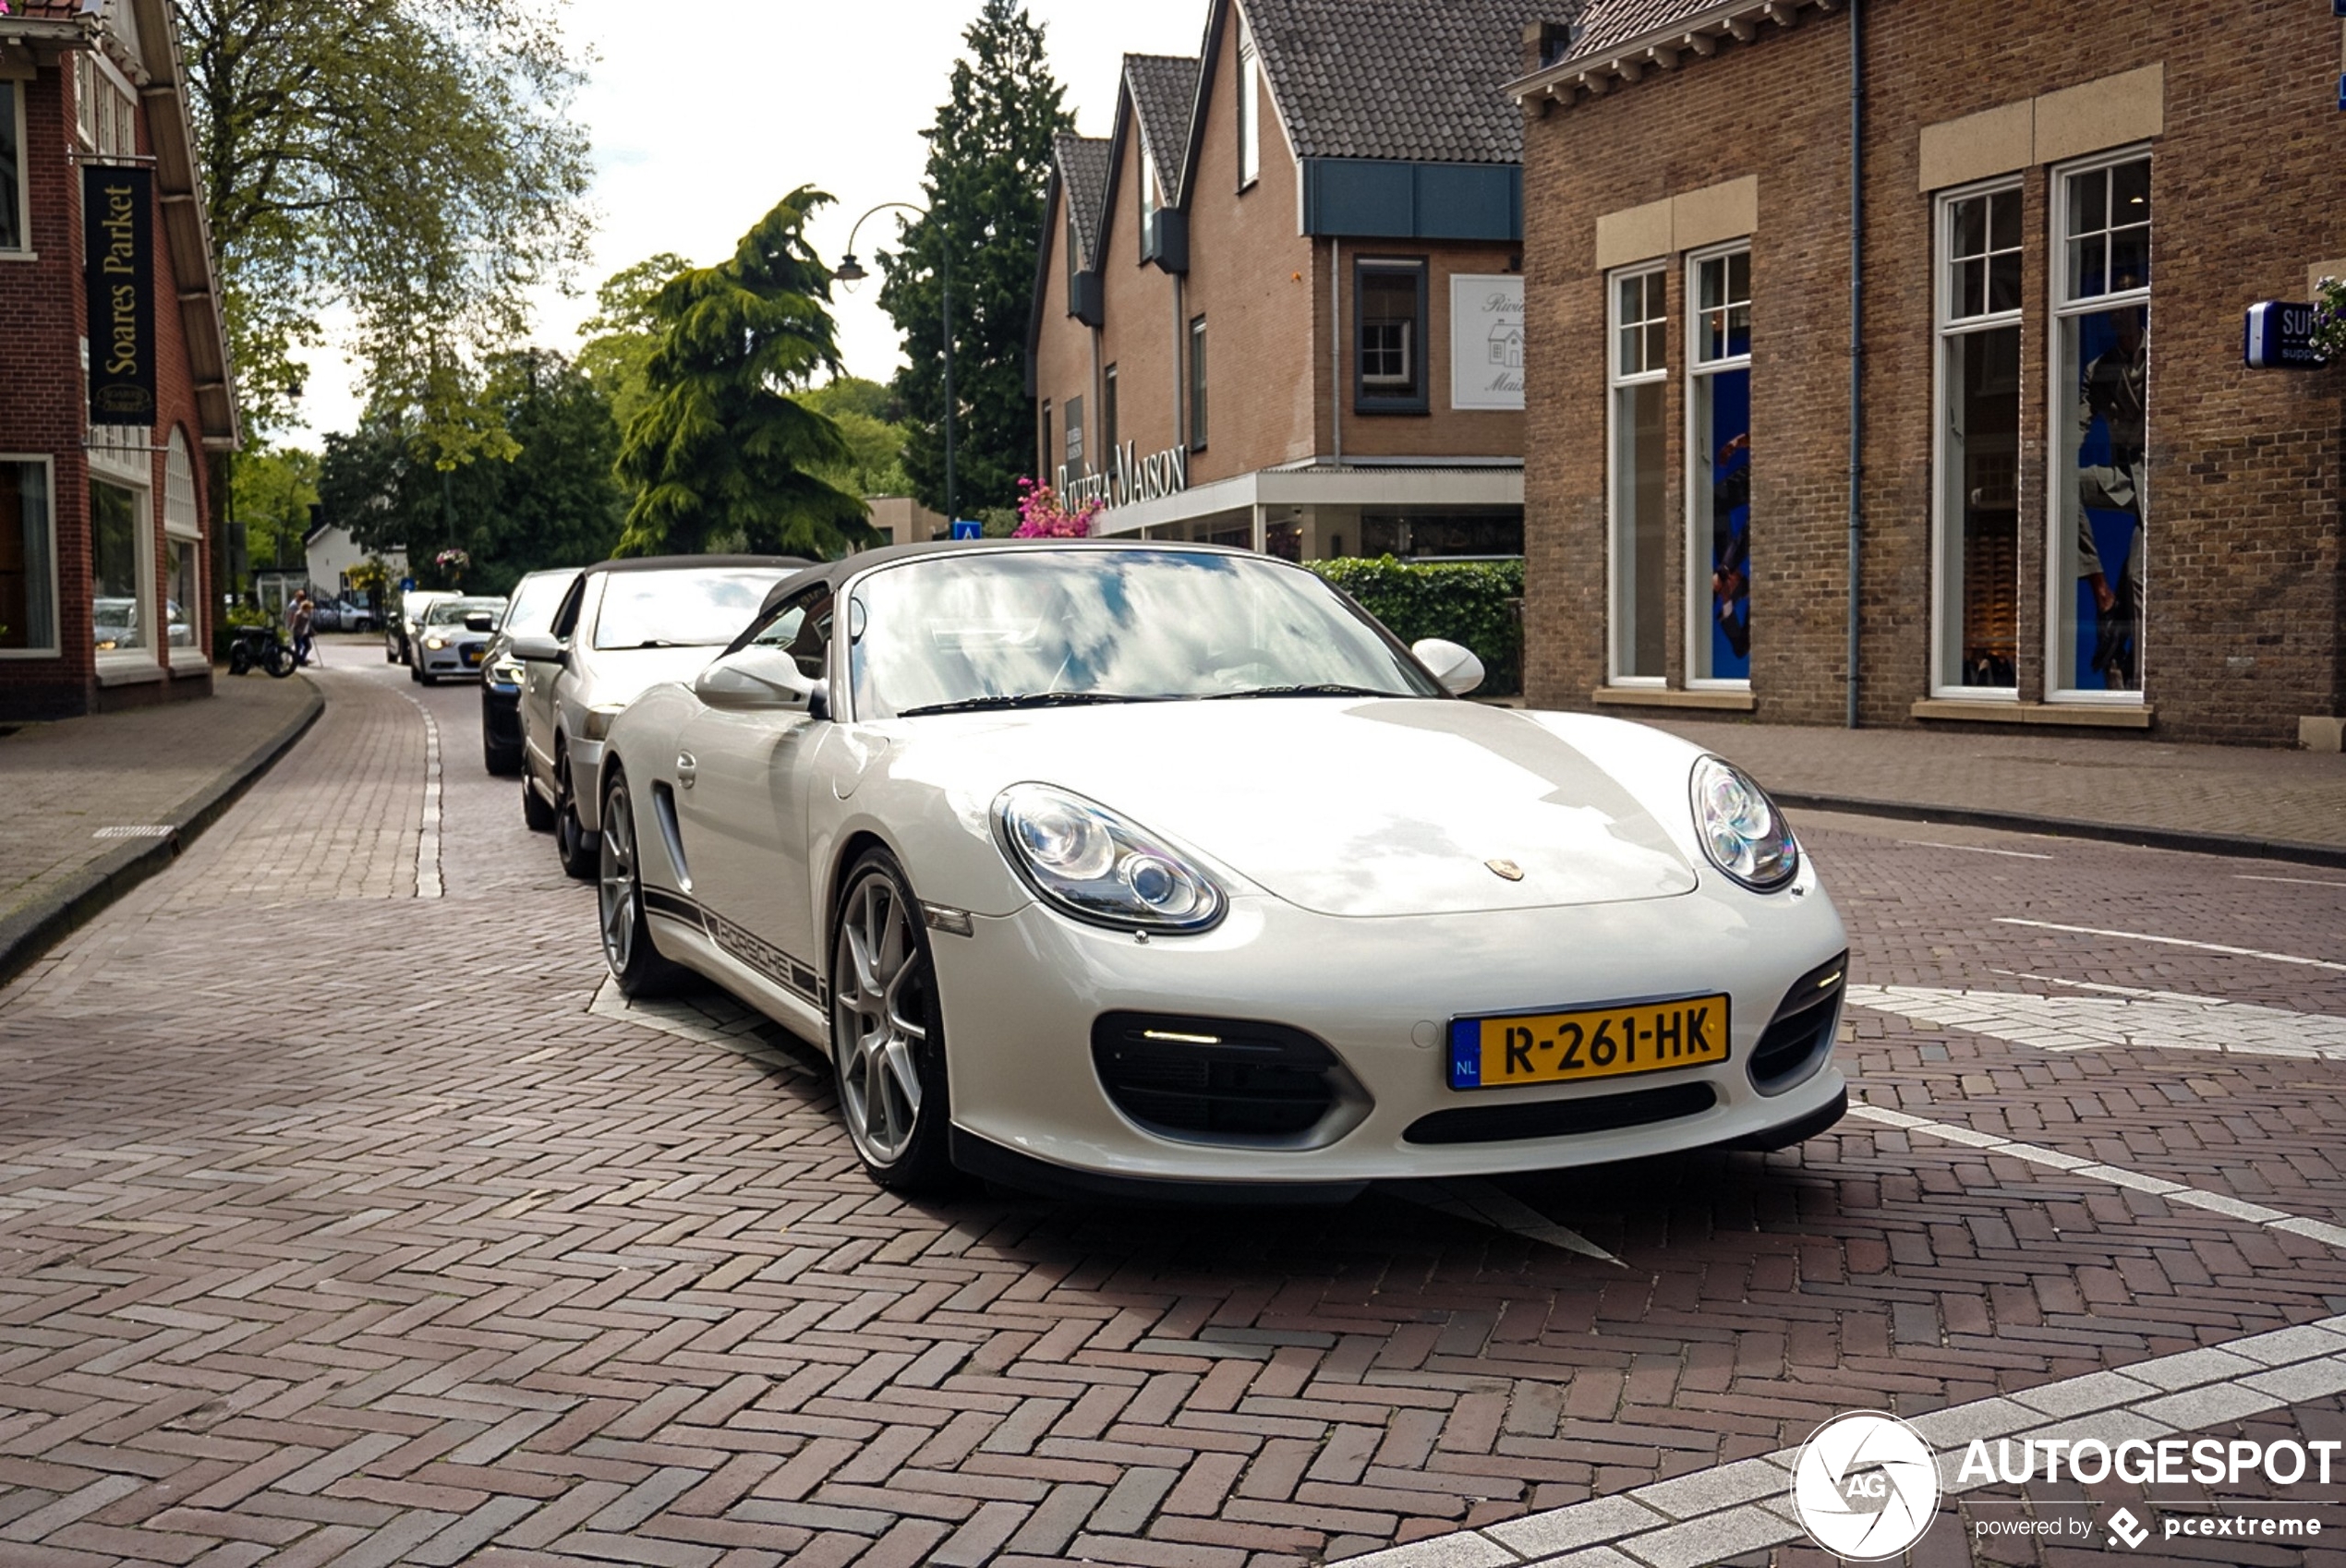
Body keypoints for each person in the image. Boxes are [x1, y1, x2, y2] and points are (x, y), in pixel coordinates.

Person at [2074, 303, 2146, 689]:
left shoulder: (2160, 355)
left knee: (2137, 577)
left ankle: (2139, 681)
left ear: (2138, 311)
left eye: (2124, 308)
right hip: (2123, 477)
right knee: (2062, 485)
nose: (2115, 316)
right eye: (2111, 311)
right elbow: (2080, 420)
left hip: (2159, 479)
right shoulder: (2097, 369)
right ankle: (2101, 591)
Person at [288, 592, 319, 668]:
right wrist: (296, 631)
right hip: (298, 634)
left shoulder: (307, 615)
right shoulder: (299, 614)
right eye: (309, 608)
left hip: (305, 634)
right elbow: (295, 625)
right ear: (305, 608)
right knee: (298, 648)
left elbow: (308, 625)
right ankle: (297, 661)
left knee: (308, 646)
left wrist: (312, 632)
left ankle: (301, 658)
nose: (310, 610)